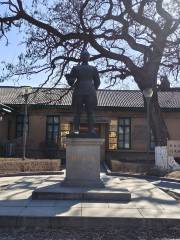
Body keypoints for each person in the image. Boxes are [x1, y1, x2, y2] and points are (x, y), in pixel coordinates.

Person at [65, 50, 100, 135]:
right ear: (88, 58)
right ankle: (91, 130)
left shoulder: (76, 68)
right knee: (90, 112)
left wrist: (68, 78)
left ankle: (76, 130)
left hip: (79, 90)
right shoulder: (93, 69)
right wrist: (93, 89)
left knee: (77, 112)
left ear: (81, 58)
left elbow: (71, 83)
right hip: (90, 91)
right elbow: (98, 82)